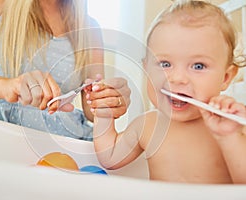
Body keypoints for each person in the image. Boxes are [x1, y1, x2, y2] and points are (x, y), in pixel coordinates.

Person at [88, 0, 246, 183]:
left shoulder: (230, 127)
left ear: (226, 77)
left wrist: (230, 138)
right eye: (165, 64)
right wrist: (104, 114)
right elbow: (110, 157)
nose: (178, 78)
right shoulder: (148, 125)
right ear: (146, 68)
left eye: (198, 66)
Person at [0, 0, 130, 141]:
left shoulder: (89, 28)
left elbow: (92, 110)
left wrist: (109, 100)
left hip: (66, 154)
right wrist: (6, 86)